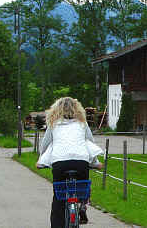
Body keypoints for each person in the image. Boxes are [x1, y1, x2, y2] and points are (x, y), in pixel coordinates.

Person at [36, 97, 104, 227]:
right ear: (77, 109)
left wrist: (41, 160)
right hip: (81, 163)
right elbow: (89, 144)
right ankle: (83, 205)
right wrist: (95, 163)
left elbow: (45, 145)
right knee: (83, 187)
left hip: (60, 164)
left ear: (56, 109)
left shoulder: (53, 124)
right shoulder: (82, 123)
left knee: (58, 197)